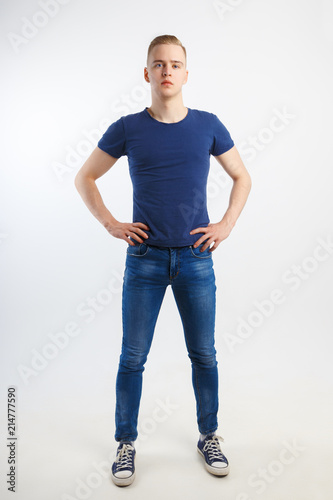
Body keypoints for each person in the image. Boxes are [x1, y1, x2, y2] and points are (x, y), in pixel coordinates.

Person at [74, 34, 252, 487]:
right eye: (159, 64)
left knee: (204, 354)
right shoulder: (128, 128)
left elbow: (242, 178)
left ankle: (208, 435)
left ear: (186, 74)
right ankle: (126, 445)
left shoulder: (208, 124)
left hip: (196, 259)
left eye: (175, 64)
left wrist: (226, 225)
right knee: (133, 357)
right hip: (145, 261)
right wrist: (113, 224)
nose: (167, 71)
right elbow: (86, 177)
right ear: (148, 73)